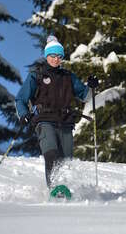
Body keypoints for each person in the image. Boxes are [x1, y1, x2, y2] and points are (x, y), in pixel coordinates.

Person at [15, 36, 98, 188]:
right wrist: (23, 114)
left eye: (59, 56)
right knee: (51, 154)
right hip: (44, 120)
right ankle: (54, 189)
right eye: (53, 56)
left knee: (66, 162)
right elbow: (21, 98)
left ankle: (65, 188)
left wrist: (92, 86)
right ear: (47, 56)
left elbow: (86, 96)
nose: (56, 59)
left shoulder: (68, 77)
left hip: (65, 122)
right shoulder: (37, 75)